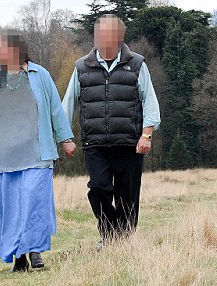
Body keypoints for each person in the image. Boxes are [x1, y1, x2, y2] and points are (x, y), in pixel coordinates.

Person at [0, 30, 76, 272]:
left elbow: (54, 107)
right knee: (10, 208)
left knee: (33, 201)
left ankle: (35, 250)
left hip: (36, 152)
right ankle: (19, 256)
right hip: (4, 155)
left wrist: (66, 138)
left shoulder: (37, 74)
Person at [62, 14, 161, 250]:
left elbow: (150, 102)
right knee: (98, 189)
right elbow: (67, 105)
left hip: (129, 143)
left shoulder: (137, 64)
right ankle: (108, 233)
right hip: (95, 144)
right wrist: (65, 138)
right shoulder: (81, 67)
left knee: (128, 197)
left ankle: (123, 242)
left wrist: (146, 135)